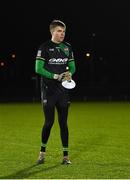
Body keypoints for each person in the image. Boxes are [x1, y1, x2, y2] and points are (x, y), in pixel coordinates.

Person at [35, 20, 76, 165]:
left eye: (63, 31)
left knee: (63, 123)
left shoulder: (67, 48)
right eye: (59, 31)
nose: (62, 34)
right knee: (49, 123)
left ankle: (65, 156)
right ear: (52, 32)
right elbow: (38, 69)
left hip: (63, 91)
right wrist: (54, 76)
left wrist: (69, 74)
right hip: (48, 91)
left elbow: (72, 67)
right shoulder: (44, 47)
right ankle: (42, 153)